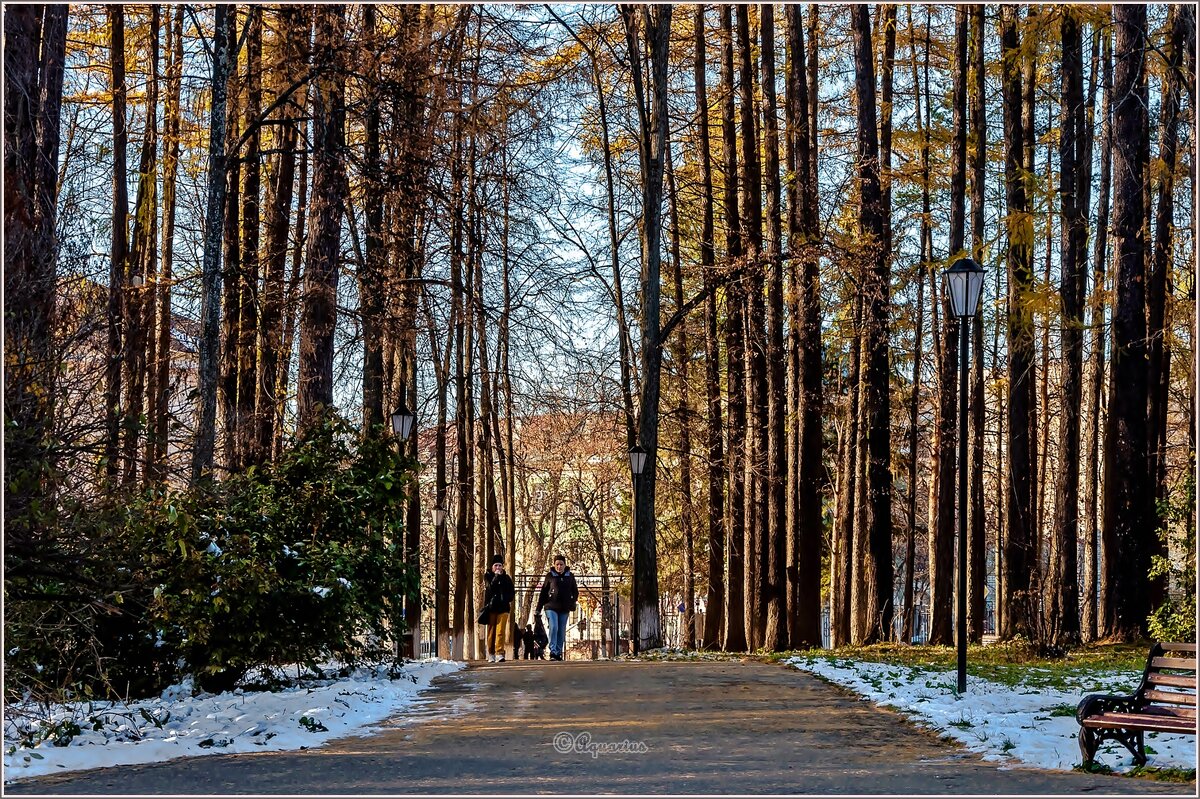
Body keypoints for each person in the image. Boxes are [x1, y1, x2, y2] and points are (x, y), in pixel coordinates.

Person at [535, 554, 578, 661]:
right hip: (551, 606)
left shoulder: (570, 576)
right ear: (554, 565)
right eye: (557, 564)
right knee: (554, 627)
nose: (559, 566)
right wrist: (538, 609)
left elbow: (575, 592)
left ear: (565, 565)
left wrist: (572, 602)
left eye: (561, 564)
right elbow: (543, 592)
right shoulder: (550, 576)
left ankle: (558, 652)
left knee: (561, 630)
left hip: (564, 608)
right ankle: (553, 651)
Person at [483, 554, 515, 663]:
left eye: (500, 565)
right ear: (492, 567)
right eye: (496, 565)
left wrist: (506, 599)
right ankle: (491, 653)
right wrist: (496, 577)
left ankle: (499, 653)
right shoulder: (488, 576)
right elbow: (490, 588)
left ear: (503, 567)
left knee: (500, 631)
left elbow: (512, 592)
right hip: (491, 608)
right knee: (491, 632)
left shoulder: (506, 578)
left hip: (504, 608)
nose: (498, 568)